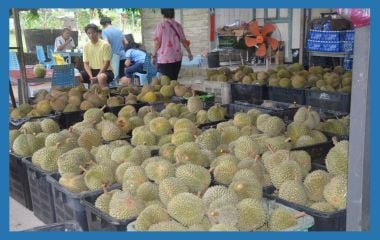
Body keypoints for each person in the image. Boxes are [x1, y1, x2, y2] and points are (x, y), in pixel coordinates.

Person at [152, 8, 193, 80]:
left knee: (166, 83)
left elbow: (157, 42)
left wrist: (154, 56)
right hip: (177, 58)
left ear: (163, 14)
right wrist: (189, 53)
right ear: (173, 13)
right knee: (173, 80)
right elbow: (184, 41)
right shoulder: (178, 26)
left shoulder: (161, 26)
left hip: (165, 59)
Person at [100, 16, 128, 82]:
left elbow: (107, 44)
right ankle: (127, 87)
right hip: (122, 55)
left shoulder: (104, 31)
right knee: (121, 75)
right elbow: (126, 42)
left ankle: (114, 90)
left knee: (113, 76)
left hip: (113, 56)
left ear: (104, 24)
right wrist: (121, 48)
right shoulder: (118, 30)